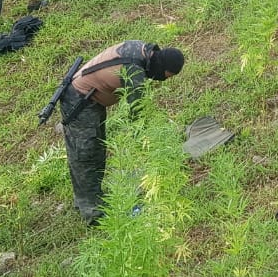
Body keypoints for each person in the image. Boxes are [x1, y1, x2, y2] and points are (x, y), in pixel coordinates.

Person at [60, 40, 185, 225]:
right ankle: (92, 212)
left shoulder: (141, 51)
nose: (163, 79)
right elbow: (138, 113)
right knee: (85, 155)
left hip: (90, 101)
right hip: (79, 101)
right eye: (166, 76)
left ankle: (92, 198)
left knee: (96, 151)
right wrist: (147, 143)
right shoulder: (135, 71)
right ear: (162, 66)